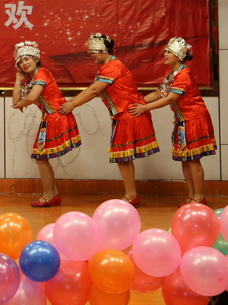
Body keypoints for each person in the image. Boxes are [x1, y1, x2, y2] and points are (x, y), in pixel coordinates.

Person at [59, 33, 159, 206]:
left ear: (103, 50)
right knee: (124, 157)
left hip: (127, 114)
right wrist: (71, 102)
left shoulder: (112, 67)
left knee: (123, 157)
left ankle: (131, 195)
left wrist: (72, 104)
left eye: (93, 50)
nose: (91, 54)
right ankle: (131, 194)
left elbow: (93, 90)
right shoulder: (110, 66)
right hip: (123, 114)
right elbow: (92, 90)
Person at [129, 37, 216, 205]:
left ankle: (199, 196)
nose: (165, 54)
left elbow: (170, 98)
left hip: (193, 119)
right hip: (182, 120)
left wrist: (145, 108)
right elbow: (159, 93)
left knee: (193, 159)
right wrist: (138, 103)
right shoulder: (171, 74)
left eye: (169, 52)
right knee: (185, 158)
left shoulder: (184, 74)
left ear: (178, 55)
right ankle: (192, 195)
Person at [11, 40, 81, 207]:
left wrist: (20, 105)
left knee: (41, 157)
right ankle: (53, 195)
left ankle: (49, 195)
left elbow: (31, 97)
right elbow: (15, 101)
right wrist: (18, 80)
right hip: (48, 119)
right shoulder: (31, 79)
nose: (24, 63)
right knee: (41, 158)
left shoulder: (43, 73)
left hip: (56, 117)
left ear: (35, 59)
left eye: (27, 59)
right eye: (20, 62)